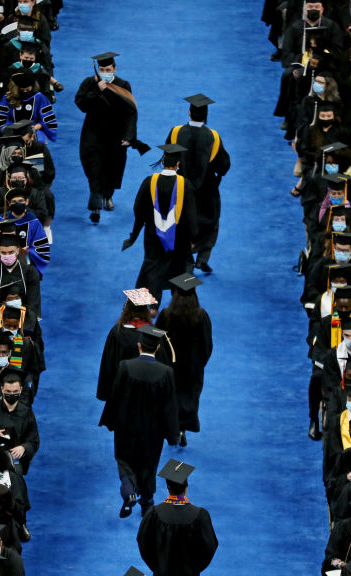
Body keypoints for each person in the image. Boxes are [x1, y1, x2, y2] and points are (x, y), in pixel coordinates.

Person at [99, 324, 178, 517]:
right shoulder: (166, 372)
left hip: (126, 428)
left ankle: (128, 489)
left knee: (124, 460)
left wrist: (110, 421)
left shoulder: (125, 366)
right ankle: (147, 502)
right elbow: (170, 407)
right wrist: (172, 434)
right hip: (153, 432)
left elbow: (115, 397)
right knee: (149, 465)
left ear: (139, 346)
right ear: (158, 348)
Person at [164, 94, 231, 273]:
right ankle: (202, 258)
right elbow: (224, 166)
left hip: (181, 189)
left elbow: (168, 158)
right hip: (206, 191)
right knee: (211, 223)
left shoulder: (176, 132)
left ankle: (186, 261)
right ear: (206, 115)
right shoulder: (213, 137)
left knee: (183, 225)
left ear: (189, 112)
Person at [124, 143, 198, 302]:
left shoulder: (149, 181)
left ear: (163, 161)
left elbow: (138, 209)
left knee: (150, 267)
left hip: (152, 234)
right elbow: (191, 215)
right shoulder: (185, 184)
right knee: (182, 269)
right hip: (179, 237)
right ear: (178, 164)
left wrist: (134, 234)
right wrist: (193, 239)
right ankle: (182, 305)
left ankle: (144, 308)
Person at [75, 51, 139, 224]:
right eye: (102, 69)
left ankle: (108, 196)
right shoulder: (90, 83)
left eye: (108, 69)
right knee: (93, 168)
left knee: (113, 169)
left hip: (115, 136)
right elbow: (81, 104)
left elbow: (131, 112)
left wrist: (129, 136)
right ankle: (95, 205)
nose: (105, 71)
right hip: (93, 134)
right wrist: (96, 90)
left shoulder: (123, 85)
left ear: (115, 69)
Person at [155, 274, 213, 447]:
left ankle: (170, 430)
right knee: (189, 399)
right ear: (194, 292)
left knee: (169, 398)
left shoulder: (166, 315)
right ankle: (182, 430)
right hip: (192, 369)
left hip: (169, 366)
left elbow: (157, 340)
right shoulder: (201, 316)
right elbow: (207, 345)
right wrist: (199, 364)